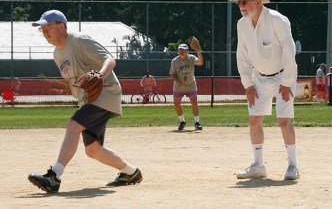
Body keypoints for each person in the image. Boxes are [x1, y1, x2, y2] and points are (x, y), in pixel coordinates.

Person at [28, 10, 142, 193]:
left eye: (48, 26)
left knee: (73, 125)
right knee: (93, 150)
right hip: (87, 100)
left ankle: (54, 176)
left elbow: (110, 60)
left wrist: (100, 76)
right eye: (42, 28)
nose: (45, 31)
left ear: (62, 26)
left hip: (105, 93)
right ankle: (131, 172)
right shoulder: (57, 54)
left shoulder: (78, 40)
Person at [231, 0, 299, 180]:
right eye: (239, 2)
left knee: (283, 120)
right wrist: (248, 85)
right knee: (254, 121)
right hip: (258, 78)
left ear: (258, 2)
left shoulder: (278, 20)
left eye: (244, 2)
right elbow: (241, 56)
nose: (241, 6)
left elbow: (289, 53)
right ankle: (258, 165)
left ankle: (293, 166)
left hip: (282, 77)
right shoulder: (241, 24)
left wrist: (286, 83)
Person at [169, 43, 203, 131]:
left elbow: (200, 63)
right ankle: (182, 122)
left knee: (194, 103)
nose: (181, 51)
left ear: (187, 51)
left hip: (191, 84)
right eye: (180, 49)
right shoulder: (174, 61)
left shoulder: (191, 58)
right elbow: (172, 73)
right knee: (176, 104)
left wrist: (198, 52)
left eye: (183, 49)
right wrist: (178, 81)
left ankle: (197, 122)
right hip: (178, 86)